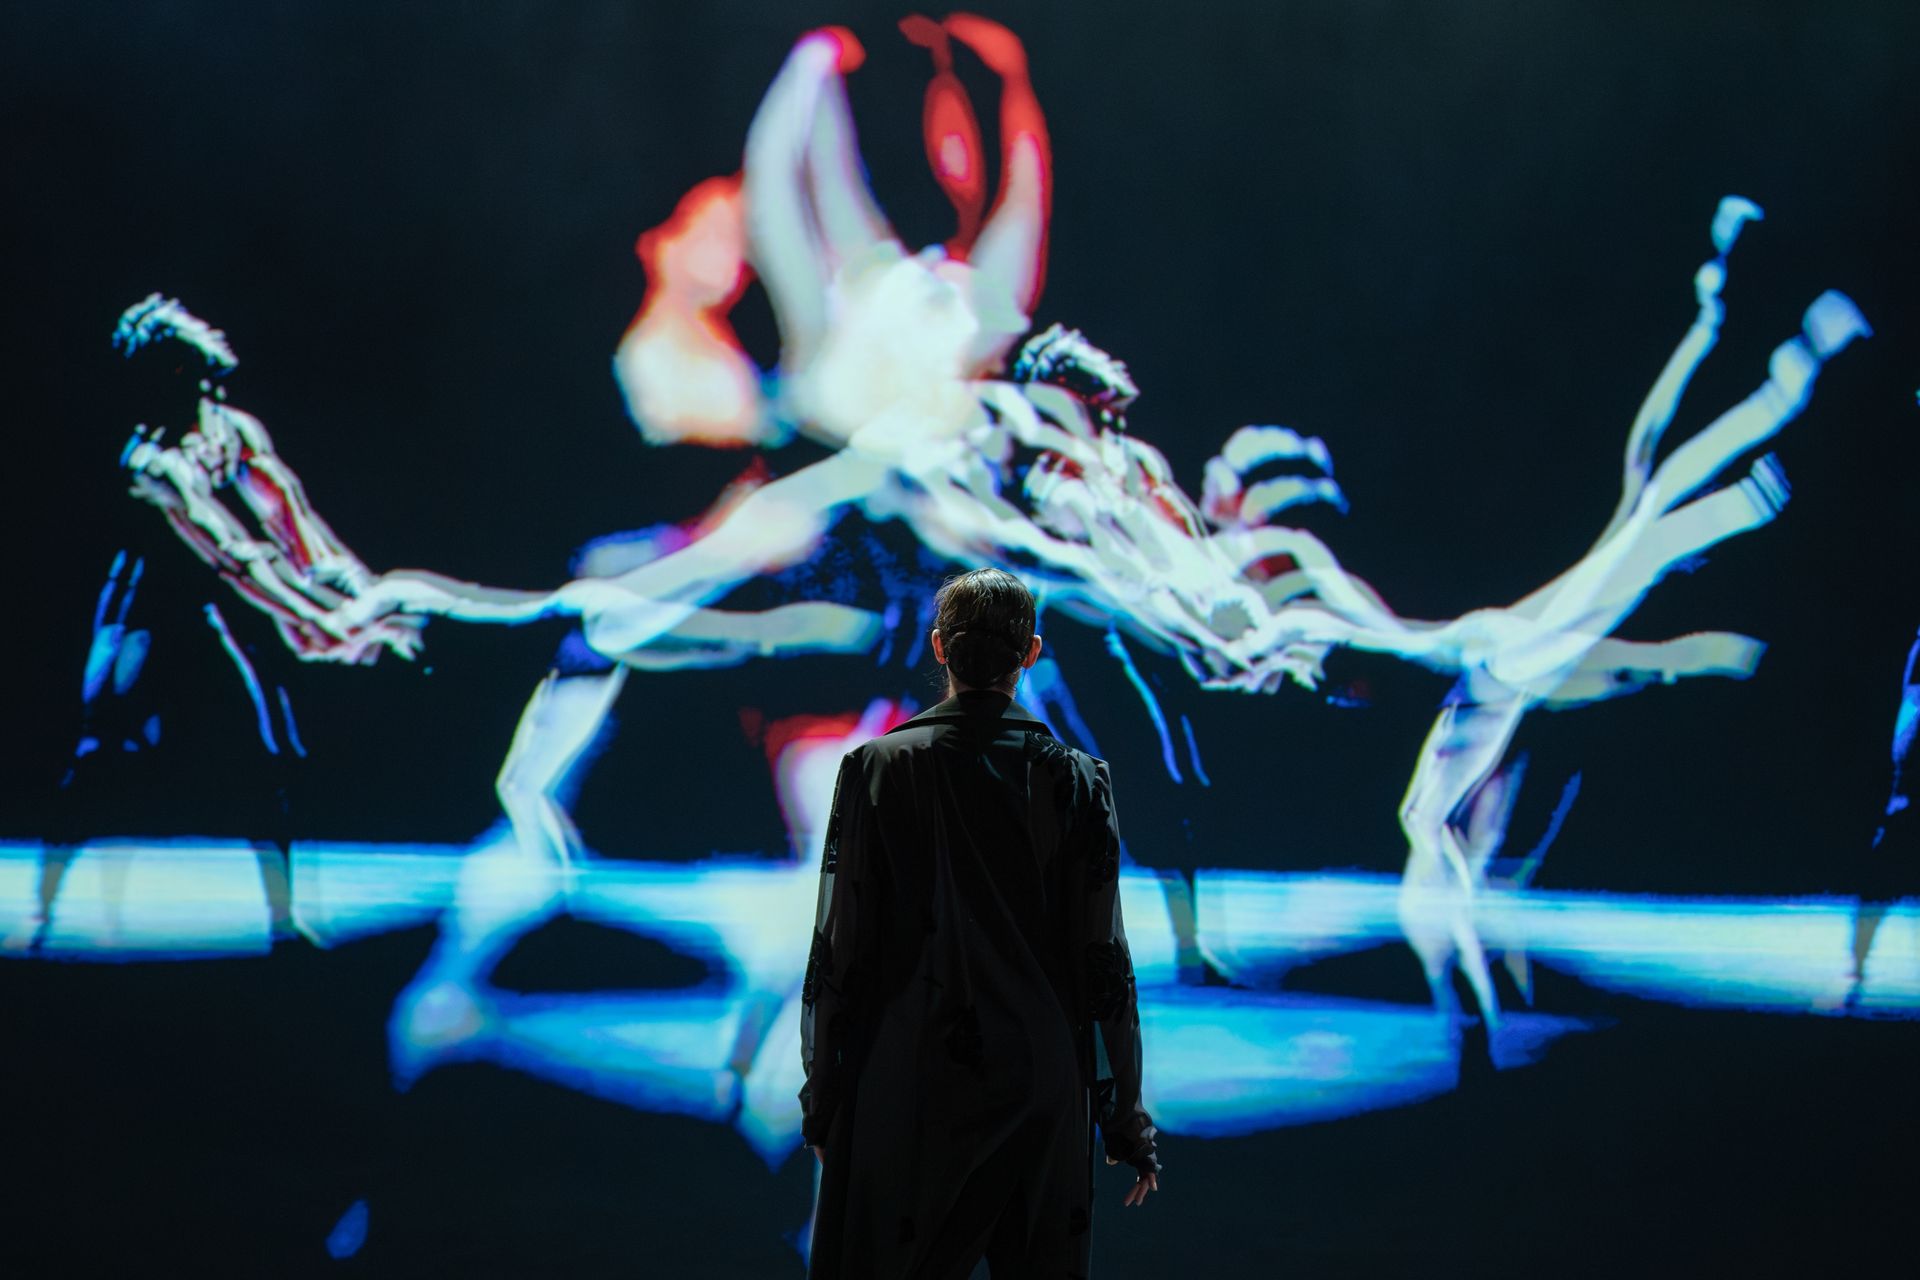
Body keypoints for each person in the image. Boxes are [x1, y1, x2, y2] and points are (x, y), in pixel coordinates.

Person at [799, 568, 1159, 1278]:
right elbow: (1103, 962)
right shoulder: (1079, 780)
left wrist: (827, 1101)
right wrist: (1126, 1122)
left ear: (939, 648)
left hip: (911, 1077)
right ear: (1031, 653)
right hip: (1038, 1080)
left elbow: (842, 948)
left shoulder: (878, 768)